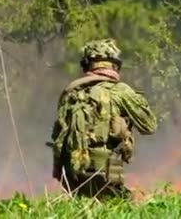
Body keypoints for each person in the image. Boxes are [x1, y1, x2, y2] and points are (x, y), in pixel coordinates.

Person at [50, 38, 157, 199]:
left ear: (87, 65)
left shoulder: (69, 93)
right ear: (115, 64)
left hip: (72, 176)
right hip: (104, 175)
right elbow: (150, 126)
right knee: (144, 204)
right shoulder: (119, 91)